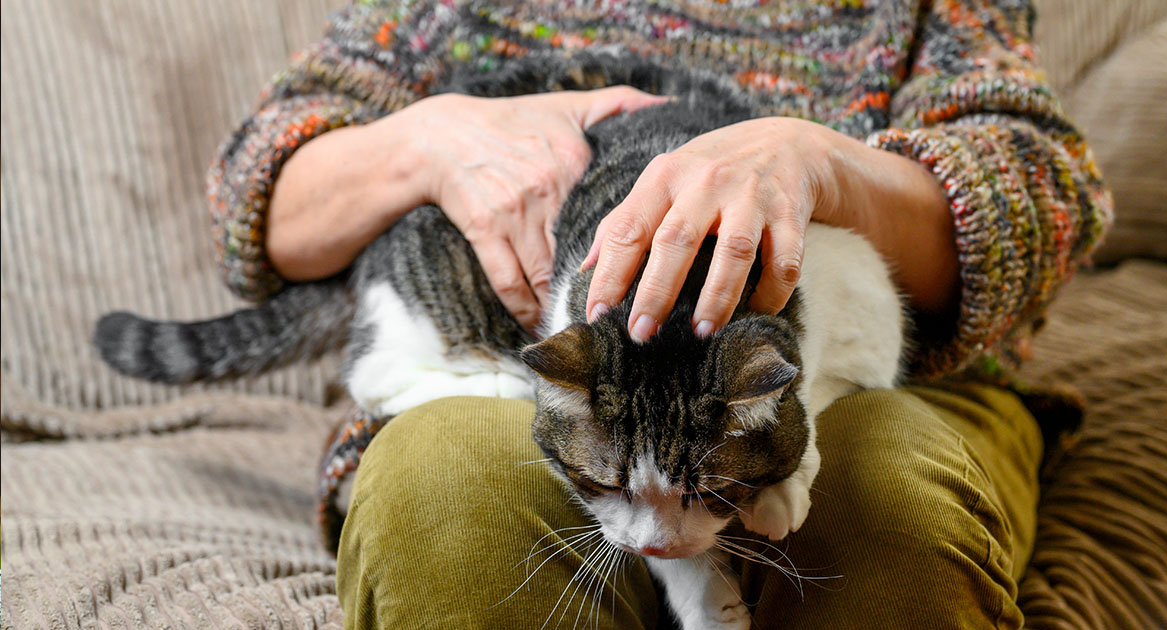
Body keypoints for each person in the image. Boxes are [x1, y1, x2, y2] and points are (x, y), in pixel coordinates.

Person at [207, 1, 1111, 628]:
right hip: (568, 381)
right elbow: (256, 192)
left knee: (892, 516)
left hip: (848, 376)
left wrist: (822, 165)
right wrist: (427, 142)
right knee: (447, 507)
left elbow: (1050, 194)